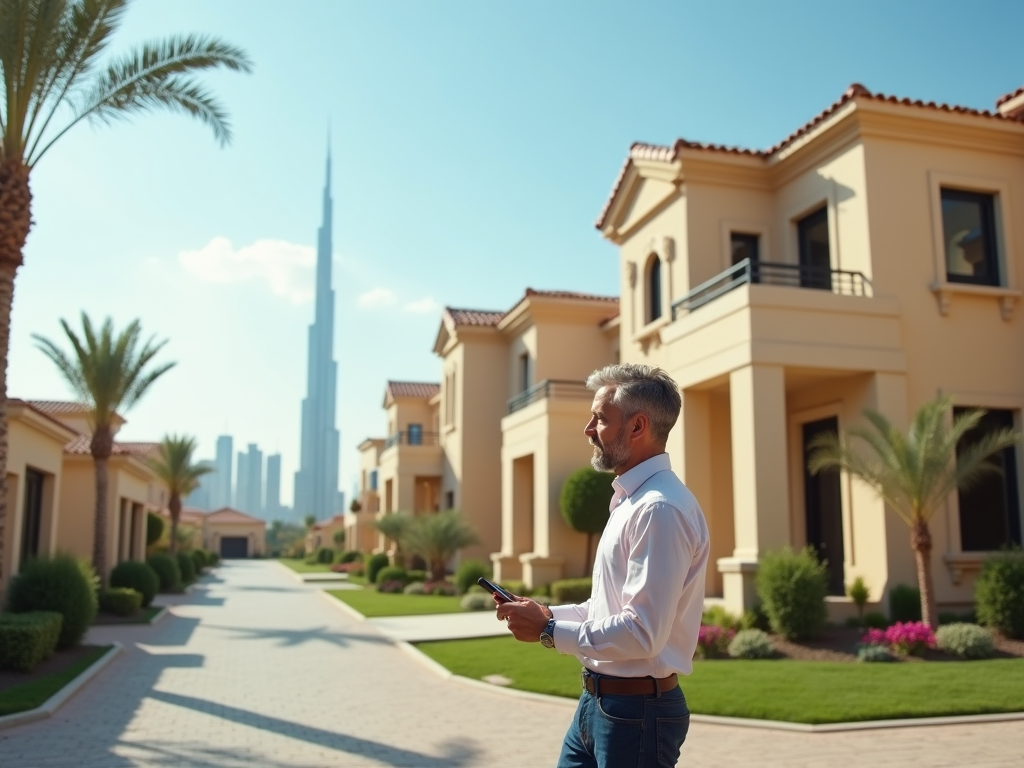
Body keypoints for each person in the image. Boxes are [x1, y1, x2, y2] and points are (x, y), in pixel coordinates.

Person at [495, 363, 709, 768]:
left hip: (637, 714)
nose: (588, 429)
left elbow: (642, 632)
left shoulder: (658, 509)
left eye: (600, 418)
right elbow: (606, 607)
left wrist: (548, 631)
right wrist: (545, 614)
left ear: (637, 426)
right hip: (599, 705)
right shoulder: (630, 502)